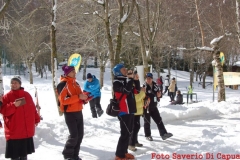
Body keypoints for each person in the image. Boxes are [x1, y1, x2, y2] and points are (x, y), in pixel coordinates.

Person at [0, 76, 40, 160]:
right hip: (14, 131)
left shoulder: (27, 95)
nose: (14, 85)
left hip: (25, 131)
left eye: (16, 83)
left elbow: (32, 108)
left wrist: (36, 119)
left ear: (20, 84)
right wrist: (13, 105)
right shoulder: (7, 96)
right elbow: (4, 111)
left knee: (24, 154)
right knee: (15, 156)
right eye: (12, 83)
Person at [57, 65, 88, 160]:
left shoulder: (76, 83)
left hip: (79, 111)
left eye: (75, 71)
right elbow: (63, 100)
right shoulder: (62, 84)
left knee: (80, 135)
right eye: (73, 71)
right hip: (69, 113)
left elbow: (79, 96)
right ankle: (68, 155)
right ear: (67, 73)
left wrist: (85, 99)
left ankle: (75, 155)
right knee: (74, 135)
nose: (75, 73)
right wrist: (79, 97)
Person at [112, 64, 137, 160]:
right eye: (123, 69)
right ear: (118, 71)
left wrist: (136, 80)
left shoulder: (126, 80)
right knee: (124, 133)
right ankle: (119, 155)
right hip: (123, 110)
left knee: (129, 132)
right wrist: (130, 79)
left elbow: (136, 91)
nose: (126, 70)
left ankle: (124, 152)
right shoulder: (117, 82)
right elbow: (126, 91)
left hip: (130, 110)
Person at [143, 72, 173, 141]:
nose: (148, 80)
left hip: (154, 106)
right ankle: (148, 135)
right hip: (146, 107)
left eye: (150, 78)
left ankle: (163, 134)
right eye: (147, 78)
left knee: (159, 120)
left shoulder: (155, 85)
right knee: (147, 121)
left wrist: (160, 95)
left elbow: (159, 94)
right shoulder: (143, 86)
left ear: (152, 79)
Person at [128, 72, 144, 152]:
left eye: (138, 76)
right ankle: (131, 144)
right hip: (134, 110)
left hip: (138, 109)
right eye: (136, 76)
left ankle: (135, 141)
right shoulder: (132, 84)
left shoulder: (137, 83)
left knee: (136, 126)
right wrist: (143, 92)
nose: (138, 77)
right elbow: (136, 98)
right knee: (135, 127)